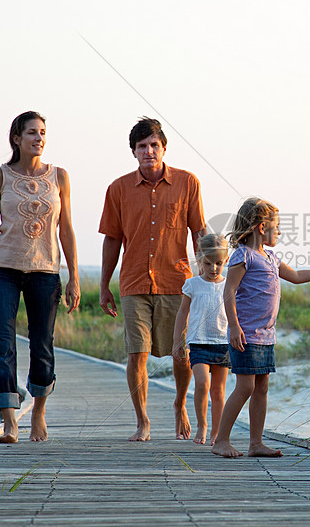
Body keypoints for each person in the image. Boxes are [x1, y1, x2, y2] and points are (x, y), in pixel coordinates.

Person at [211, 198, 310, 458]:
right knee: (245, 387)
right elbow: (228, 291)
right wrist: (233, 326)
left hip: (266, 335)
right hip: (247, 334)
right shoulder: (243, 255)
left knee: (261, 387)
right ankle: (221, 440)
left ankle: (255, 444)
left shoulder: (272, 258)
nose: (279, 232)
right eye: (277, 227)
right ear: (262, 227)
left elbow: (298, 277)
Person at [0, 111, 81, 444]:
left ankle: (38, 412)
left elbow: (67, 229)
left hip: (45, 270)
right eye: (32, 133)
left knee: (43, 345)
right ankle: (9, 422)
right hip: (3, 269)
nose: (39, 138)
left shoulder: (59, 177)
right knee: (2, 343)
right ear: (17, 139)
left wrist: (75, 276)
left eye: (43, 132)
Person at [99, 117, 207, 441]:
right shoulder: (118, 189)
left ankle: (179, 404)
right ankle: (143, 421)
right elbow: (111, 239)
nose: (148, 151)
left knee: (182, 352)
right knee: (137, 353)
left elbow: (199, 231)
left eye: (153, 145)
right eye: (142, 147)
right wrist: (104, 285)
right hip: (133, 283)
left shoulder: (188, 183)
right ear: (133, 152)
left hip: (178, 281)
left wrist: (205, 278)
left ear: (163, 148)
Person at [171, 234, 230, 445]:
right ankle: (202, 426)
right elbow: (182, 313)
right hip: (198, 343)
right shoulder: (192, 284)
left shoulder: (229, 285)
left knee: (218, 390)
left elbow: (236, 313)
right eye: (208, 263)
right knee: (203, 384)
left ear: (226, 261)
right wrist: (178, 340)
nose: (213, 268)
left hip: (223, 343)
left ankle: (217, 431)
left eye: (219, 263)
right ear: (199, 260)